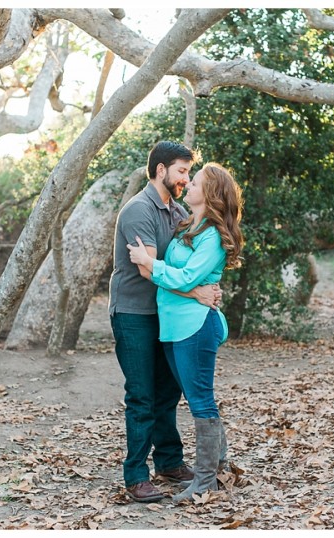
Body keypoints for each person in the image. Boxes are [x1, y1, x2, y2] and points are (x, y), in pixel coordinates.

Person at [109, 141, 221, 503]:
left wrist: (202, 289)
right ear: (160, 170)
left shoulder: (177, 213)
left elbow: (189, 265)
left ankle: (170, 462)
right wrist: (197, 294)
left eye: (190, 173)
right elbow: (146, 269)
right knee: (141, 395)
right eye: (181, 171)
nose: (185, 180)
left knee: (168, 393)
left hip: (166, 316)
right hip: (134, 314)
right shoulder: (138, 210)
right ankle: (136, 476)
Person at [127, 162, 244, 503]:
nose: (187, 185)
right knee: (196, 399)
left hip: (195, 327)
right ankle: (219, 466)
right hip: (173, 327)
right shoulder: (185, 224)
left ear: (209, 194)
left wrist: (149, 263)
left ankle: (205, 481)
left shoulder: (213, 236)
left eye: (194, 182)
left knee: (200, 402)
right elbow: (184, 280)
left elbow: (186, 278)